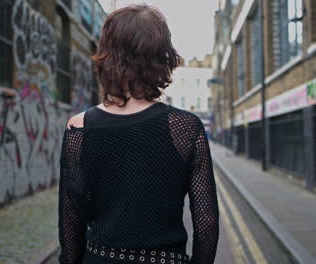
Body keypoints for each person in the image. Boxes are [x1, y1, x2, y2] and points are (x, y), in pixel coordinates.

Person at [58, 4, 219, 264]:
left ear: (106, 55)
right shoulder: (186, 127)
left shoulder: (79, 127)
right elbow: (207, 223)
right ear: (163, 57)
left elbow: (71, 219)